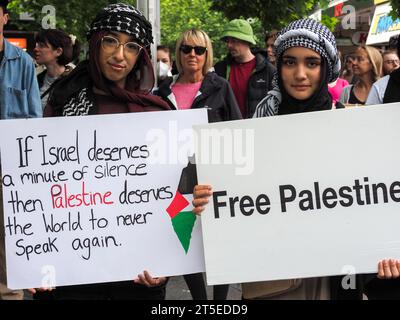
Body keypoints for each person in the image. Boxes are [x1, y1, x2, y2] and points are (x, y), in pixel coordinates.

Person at [194, 19, 365, 300]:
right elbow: (236, 200)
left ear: (326, 68)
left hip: (337, 278)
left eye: (311, 63)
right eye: (289, 62)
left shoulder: (351, 125)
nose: (300, 74)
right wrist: (207, 202)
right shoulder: (258, 127)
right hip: (275, 281)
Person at [34, 3, 170, 300]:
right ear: (95, 44)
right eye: (111, 41)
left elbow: (173, 197)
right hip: (70, 272)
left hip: (137, 275)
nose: (120, 55)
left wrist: (167, 262)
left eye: (131, 46)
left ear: (141, 55)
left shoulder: (158, 115)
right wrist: (35, 262)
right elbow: (40, 189)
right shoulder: (62, 103)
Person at [156, 29, 241, 300]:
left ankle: (219, 302)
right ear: (178, 53)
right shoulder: (162, 90)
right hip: (175, 177)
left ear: (207, 54)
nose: (193, 54)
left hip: (213, 174)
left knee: (220, 243)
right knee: (186, 238)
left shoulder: (220, 87)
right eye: (186, 48)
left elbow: (236, 130)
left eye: (199, 49)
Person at [0, 0, 42, 300]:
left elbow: (34, 119)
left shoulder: (22, 62)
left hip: (8, 167)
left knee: (8, 239)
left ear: (4, 17)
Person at [214, 19, 276, 119]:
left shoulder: (269, 71)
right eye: (227, 41)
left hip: (260, 130)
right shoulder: (220, 69)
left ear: (247, 41)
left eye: (234, 41)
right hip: (229, 131)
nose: (229, 45)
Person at [34, 28, 80, 109]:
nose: (36, 49)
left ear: (58, 51)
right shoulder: (36, 79)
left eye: (42, 45)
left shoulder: (75, 82)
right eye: (37, 45)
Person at [366, 35, 400, 105]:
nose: (395, 64)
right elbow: (370, 114)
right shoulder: (381, 86)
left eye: (396, 61)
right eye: (389, 62)